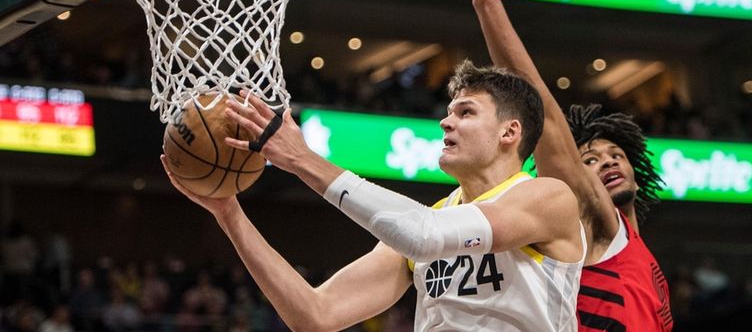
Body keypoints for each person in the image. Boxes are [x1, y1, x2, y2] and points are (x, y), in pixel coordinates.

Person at [162, 61, 585, 332]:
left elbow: (425, 235)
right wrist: (229, 213)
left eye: (466, 112)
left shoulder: (547, 198)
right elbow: (315, 314)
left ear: (510, 132)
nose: (445, 122)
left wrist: (302, 159)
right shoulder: (434, 218)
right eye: (449, 110)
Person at [430, 0, 672, 332]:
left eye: (614, 154)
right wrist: (487, 0)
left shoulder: (635, 249)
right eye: (590, 160)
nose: (607, 163)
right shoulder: (590, 217)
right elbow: (538, 101)